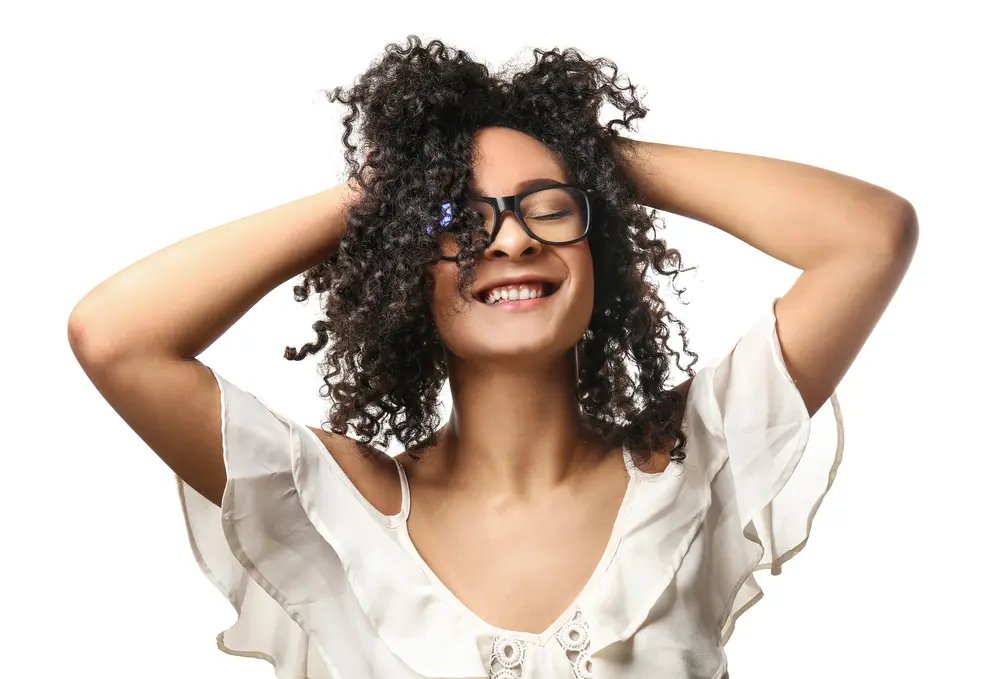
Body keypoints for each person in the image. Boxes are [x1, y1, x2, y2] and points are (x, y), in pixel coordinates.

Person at [68, 36, 916, 679]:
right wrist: (385, 191)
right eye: (461, 221)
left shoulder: (694, 455)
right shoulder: (338, 507)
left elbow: (870, 237)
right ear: (404, 268)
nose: (510, 237)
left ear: (602, 252)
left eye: (548, 208)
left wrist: (598, 161)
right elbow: (115, 337)